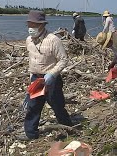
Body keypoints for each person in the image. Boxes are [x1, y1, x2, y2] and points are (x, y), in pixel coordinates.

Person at [17, 10, 72, 141]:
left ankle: (68, 127)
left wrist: (52, 74)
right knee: (33, 106)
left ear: (42, 25)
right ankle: (30, 133)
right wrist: (31, 76)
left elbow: (64, 59)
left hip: (51, 78)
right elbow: (31, 59)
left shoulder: (53, 40)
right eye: (29, 24)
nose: (31, 28)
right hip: (36, 79)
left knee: (57, 104)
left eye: (34, 25)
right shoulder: (28, 40)